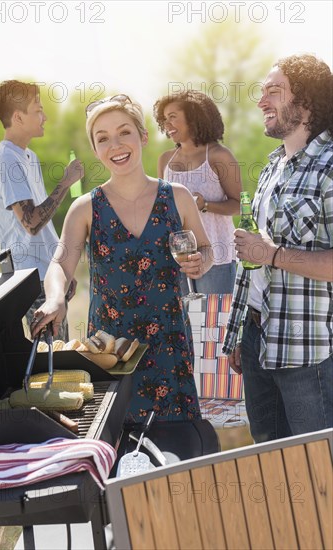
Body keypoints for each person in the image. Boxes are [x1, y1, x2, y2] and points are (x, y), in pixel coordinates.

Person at [31, 94, 213, 423]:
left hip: (169, 344)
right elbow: (60, 263)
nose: (115, 144)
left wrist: (202, 261)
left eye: (124, 132)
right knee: (118, 447)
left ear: (143, 137)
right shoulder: (86, 207)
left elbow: (206, 248)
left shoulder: (178, 197)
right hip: (110, 351)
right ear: (95, 149)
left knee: (178, 444)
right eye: (102, 139)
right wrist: (56, 299)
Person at [222, 54, 333, 442]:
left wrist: (272, 254)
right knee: (270, 463)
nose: (262, 101)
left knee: (319, 469)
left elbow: (266, 253)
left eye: (274, 92)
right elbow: (253, 257)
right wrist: (239, 333)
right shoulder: (273, 166)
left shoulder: (330, 166)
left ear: (306, 103)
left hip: (308, 352)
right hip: (256, 339)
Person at [0, 80, 84, 341]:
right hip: (31, 280)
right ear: (18, 116)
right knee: (48, 363)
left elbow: (42, 223)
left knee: (60, 355)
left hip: (47, 274)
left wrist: (62, 268)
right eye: (38, 110)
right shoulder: (7, 160)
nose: (45, 117)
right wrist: (66, 183)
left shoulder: (26, 156)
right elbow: (31, 223)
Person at [153, 90, 241, 295]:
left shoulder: (220, 156)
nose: (167, 125)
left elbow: (238, 205)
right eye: (164, 120)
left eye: (173, 117)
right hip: (177, 260)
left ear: (193, 117)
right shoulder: (165, 159)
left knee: (215, 325)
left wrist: (206, 205)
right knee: (183, 325)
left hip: (217, 257)